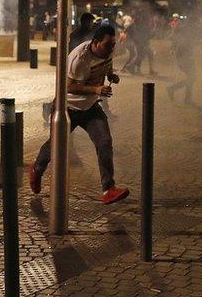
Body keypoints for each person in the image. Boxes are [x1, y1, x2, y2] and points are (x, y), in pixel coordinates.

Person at [29, 24, 129, 205]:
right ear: (96, 43)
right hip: (68, 108)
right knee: (55, 146)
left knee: (104, 142)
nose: (112, 48)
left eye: (113, 44)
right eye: (108, 45)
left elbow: (107, 64)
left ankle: (109, 189)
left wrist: (111, 75)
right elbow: (69, 86)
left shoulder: (108, 51)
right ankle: (37, 168)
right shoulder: (79, 58)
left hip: (90, 108)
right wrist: (97, 89)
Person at [167, 19, 196, 104]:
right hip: (185, 61)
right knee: (192, 78)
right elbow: (180, 51)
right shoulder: (184, 39)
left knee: (191, 78)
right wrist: (188, 59)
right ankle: (172, 89)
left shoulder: (182, 38)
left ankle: (187, 98)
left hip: (185, 60)